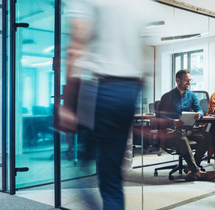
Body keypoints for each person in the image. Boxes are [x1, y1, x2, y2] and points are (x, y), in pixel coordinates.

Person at [60, 1, 146, 209]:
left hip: (99, 87)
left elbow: (77, 45)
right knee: (111, 177)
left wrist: (68, 104)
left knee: (80, 173)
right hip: (129, 89)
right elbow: (144, 56)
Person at [157, 69, 215, 181]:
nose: (189, 82)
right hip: (171, 131)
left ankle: (190, 168)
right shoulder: (167, 96)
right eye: (186, 80)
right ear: (178, 80)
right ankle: (197, 172)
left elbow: (198, 109)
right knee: (182, 139)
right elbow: (159, 117)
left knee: (207, 136)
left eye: (190, 80)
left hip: (187, 129)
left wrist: (199, 114)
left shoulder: (192, 95)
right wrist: (172, 121)